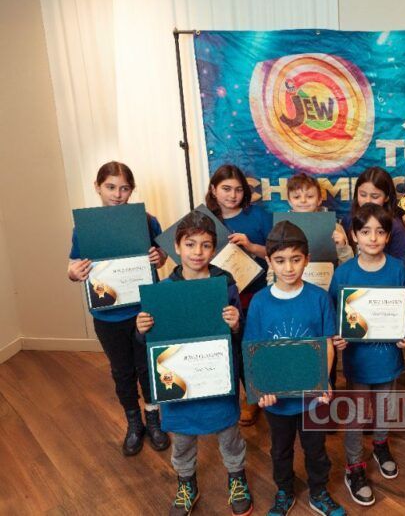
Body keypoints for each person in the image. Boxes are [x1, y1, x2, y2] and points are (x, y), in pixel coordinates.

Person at [136, 211, 252, 516]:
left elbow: (240, 332)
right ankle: (186, 482)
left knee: (228, 432)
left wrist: (236, 323)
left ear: (214, 249)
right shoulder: (163, 290)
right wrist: (141, 329)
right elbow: (150, 344)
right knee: (183, 437)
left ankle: (236, 476)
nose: (197, 252)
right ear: (177, 246)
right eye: (190, 244)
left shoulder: (224, 283)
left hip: (217, 375)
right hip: (179, 380)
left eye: (205, 245)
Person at [66, 161, 170, 456]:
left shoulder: (147, 221)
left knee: (148, 368)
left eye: (124, 188)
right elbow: (73, 264)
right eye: (111, 187)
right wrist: (73, 272)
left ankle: (154, 419)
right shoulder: (85, 227)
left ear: (132, 190)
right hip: (108, 315)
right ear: (97, 187)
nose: (117, 194)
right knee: (122, 372)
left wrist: (159, 256)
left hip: (144, 310)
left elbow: (162, 256)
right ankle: (134, 422)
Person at [245, 221, 346, 516]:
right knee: (280, 449)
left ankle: (319, 491)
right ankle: (284, 490)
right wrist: (260, 389)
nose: (288, 267)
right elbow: (254, 350)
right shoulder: (260, 302)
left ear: (307, 259)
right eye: (280, 260)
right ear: (269, 261)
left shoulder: (319, 298)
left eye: (295, 259)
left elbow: (327, 343)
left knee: (315, 447)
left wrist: (323, 380)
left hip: (311, 395)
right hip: (277, 399)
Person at [329, 204, 405, 506]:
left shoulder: (398, 269)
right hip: (357, 362)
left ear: (388, 236)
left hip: (389, 359)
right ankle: (354, 465)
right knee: (356, 415)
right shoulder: (344, 273)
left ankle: (380, 444)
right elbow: (333, 314)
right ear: (354, 235)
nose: (373, 238)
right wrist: (337, 337)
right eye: (365, 232)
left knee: (385, 408)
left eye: (380, 232)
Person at [205, 163, 273, 426]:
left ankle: (257, 395)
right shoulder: (205, 219)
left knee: (254, 345)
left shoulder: (259, 216)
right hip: (220, 294)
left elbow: (277, 252)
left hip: (255, 292)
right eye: (226, 189)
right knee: (229, 348)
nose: (232, 195)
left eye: (238, 190)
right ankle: (239, 396)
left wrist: (251, 246)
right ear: (214, 189)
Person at [342, 166, 405, 265]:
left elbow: (404, 262)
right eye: (363, 195)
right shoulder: (348, 220)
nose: (367, 201)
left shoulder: (395, 226)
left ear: (387, 197)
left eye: (374, 196)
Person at [286, 173, 354, 265]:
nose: (303, 201)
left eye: (310, 196)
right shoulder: (281, 229)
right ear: (289, 201)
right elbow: (275, 264)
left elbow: (348, 265)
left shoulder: (335, 228)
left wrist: (342, 246)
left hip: (328, 273)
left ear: (319, 200)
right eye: (297, 197)